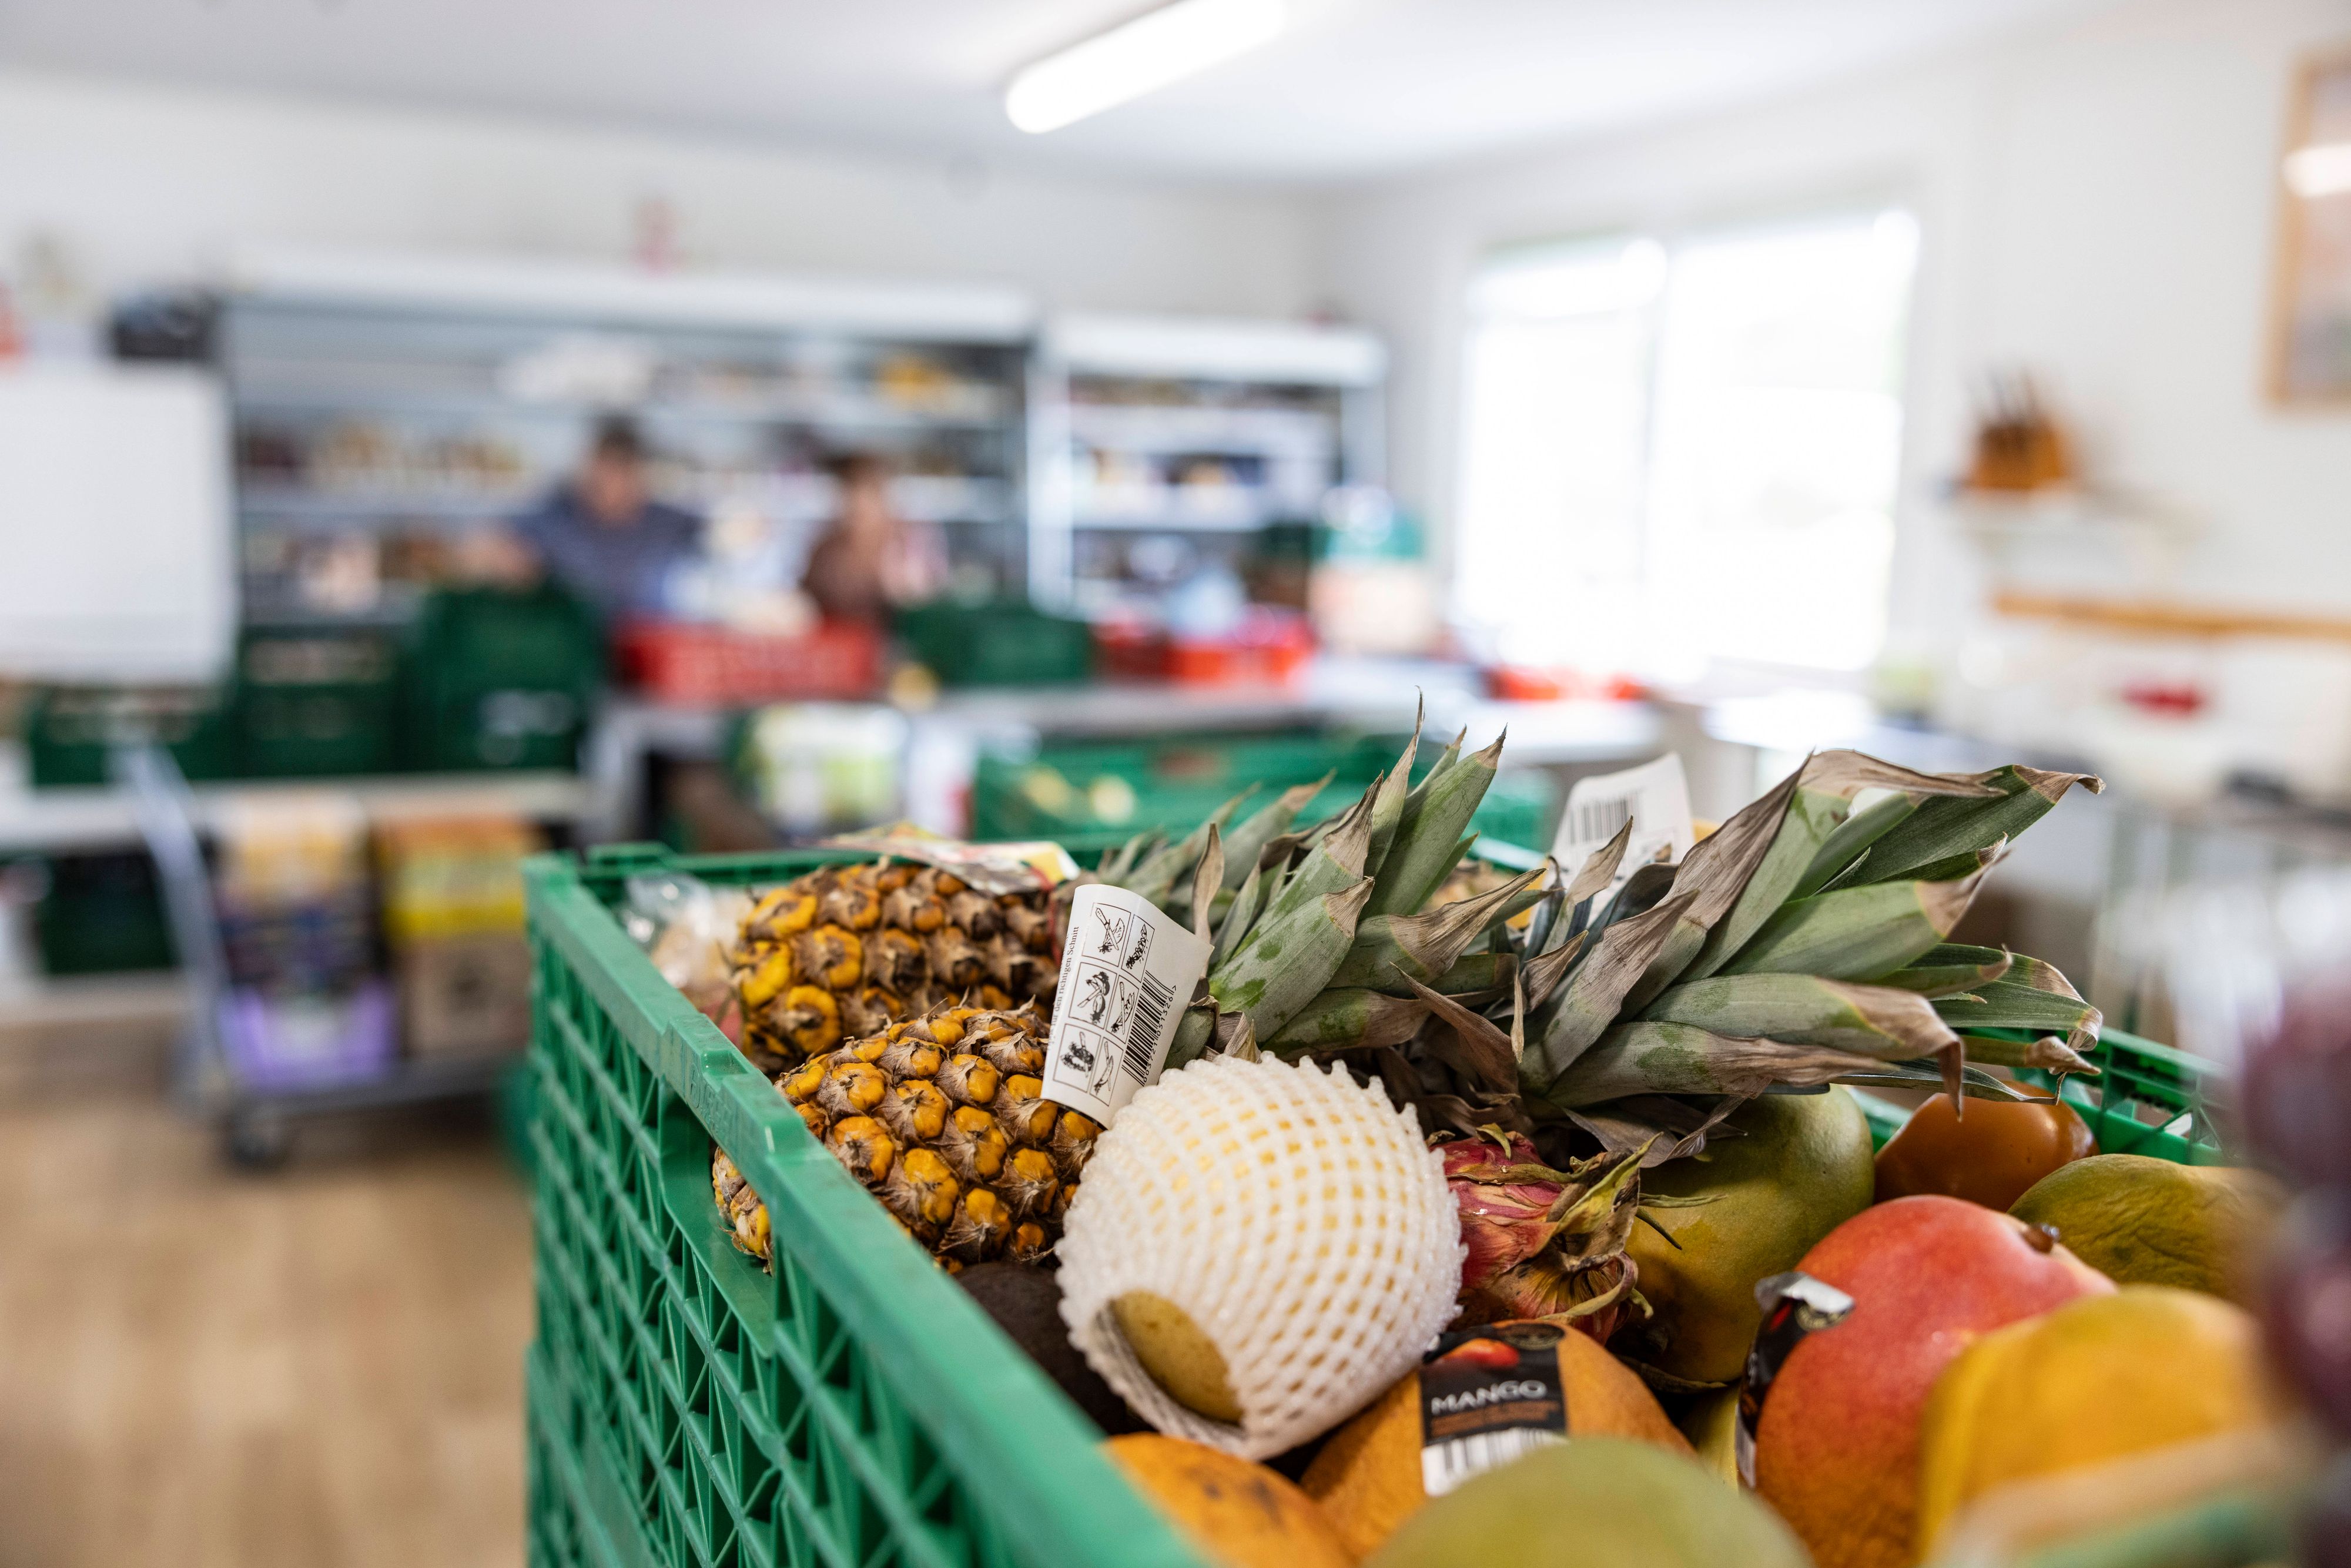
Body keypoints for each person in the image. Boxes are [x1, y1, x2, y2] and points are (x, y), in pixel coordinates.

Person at [495, 416, 702, 621]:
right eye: (605, 469)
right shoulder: (556, 519)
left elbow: (719, 539)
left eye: (624, 471)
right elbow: (496, 545)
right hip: (575, 641)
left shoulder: (669, 523)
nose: (613, 484)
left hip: (651, 640)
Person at [799, 452, 947, 625]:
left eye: (869, 495)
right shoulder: (827, 546)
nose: (860, 507)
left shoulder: (907, 543)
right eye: (852, 496)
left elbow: (928, 599)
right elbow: (808, 599)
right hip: (837, 640)